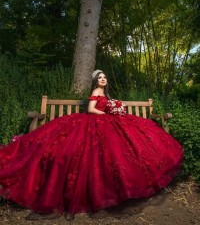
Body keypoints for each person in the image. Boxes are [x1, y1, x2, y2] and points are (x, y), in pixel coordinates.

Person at [0, 70, 183, 221]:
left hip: (106, 122)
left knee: (126, 148)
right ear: (95, 81)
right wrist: (106, 114)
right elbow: (91, 110)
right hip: (95, 121)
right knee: (94, 152)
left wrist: (115, 108)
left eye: (104, 77)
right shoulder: (96, 92)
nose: (103, 80)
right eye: (100, 78)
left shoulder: (105, 93)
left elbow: (107, 106)